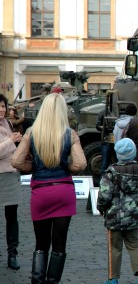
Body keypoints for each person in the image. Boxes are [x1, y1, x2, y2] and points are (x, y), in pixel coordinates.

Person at [11, 93, 87, 284]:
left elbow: (16, 161)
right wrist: (65, 167)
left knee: (41, 244)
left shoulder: (31, 133)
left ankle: (37, 282)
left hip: (41, 192)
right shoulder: (70, 134)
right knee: (59, 244)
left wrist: (33, 167)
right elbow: (81, 165)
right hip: (63, 190)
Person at [97, 138, 138, 284]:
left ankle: (112, 279)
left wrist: (100, 208)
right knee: (134, 244)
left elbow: (104, 195)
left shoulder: (111, 172)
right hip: (133, 216)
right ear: (134, 152)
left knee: (114, 248)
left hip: (115, 216)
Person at [0, 95, 23, 271]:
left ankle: (12, 254)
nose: (1, 109)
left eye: (3, 106)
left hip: (11, 174)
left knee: (12, 217)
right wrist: (11, 140)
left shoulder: (8, 123)